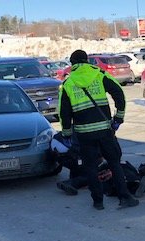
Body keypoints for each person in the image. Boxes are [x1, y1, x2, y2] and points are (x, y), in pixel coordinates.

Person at [58, 49, 138, 210]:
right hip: (105, 130)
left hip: (84, 133)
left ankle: (98, 202)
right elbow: (119, 94)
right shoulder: (99, 74)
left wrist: (66, 133)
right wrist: (118, 118)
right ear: (87, 60)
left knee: (91, 167)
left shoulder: (68, 83)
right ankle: (125, 197)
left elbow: (64, 113)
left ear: (72, 64)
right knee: (114, 163)